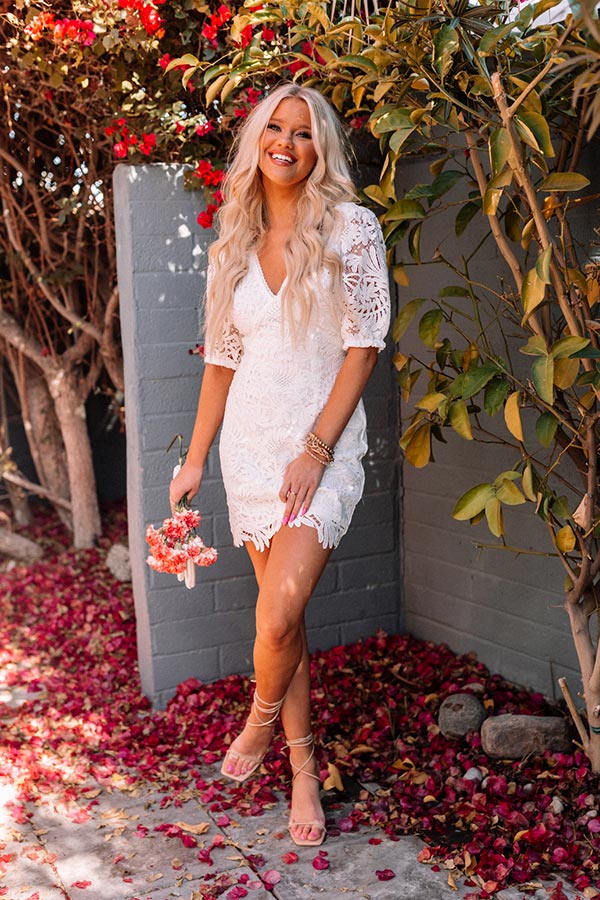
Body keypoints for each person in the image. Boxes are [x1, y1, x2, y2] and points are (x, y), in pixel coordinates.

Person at [169, 82, 390, 847]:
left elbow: (364, 348)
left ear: (318, 147)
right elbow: (221, 362)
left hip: (319, 451)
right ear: (257, 140)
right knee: (284, 624)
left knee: (277, 613)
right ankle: (303, 770)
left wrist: (317, 450)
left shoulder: (352, 227)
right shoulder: (233, 240)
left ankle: (260, 722)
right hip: (252, 451)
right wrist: (194, 459)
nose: (286, 144)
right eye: (276, 128)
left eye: (302, 132)